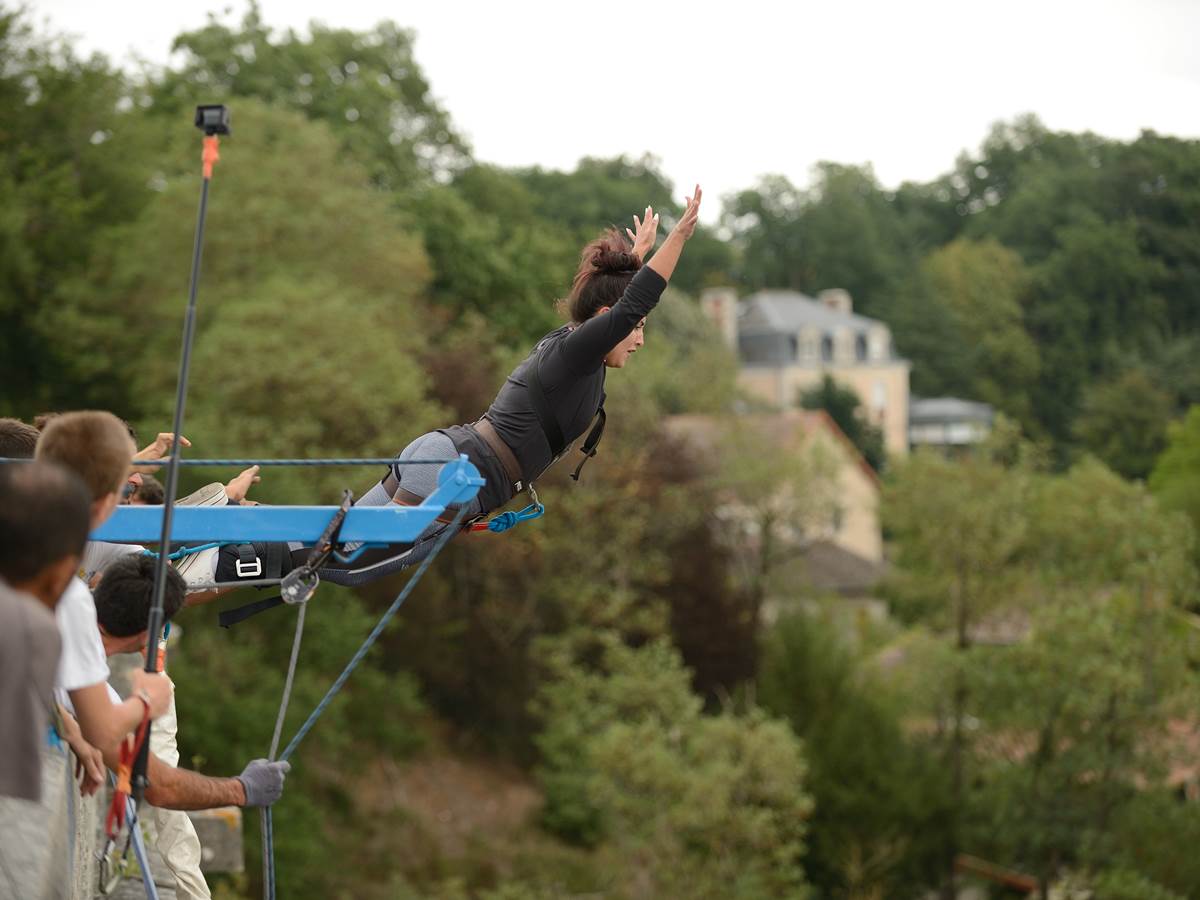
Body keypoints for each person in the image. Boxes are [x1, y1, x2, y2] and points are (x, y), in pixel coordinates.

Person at [216, 188, 703, 588]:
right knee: (345, 563)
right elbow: (625, 305)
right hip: (450, 470)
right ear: (607, 322)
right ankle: (225, 551)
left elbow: (616, 301)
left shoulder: (579, 351)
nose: (639, 339)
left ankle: (235, 527)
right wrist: (678, 238)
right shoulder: (573, 353)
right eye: (637, 327)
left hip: (445, 460)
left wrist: (633, 259)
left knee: (333, 544)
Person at [33, 411, 290, 811]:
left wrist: (70, 728)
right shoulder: (69, 607)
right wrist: (242, 789)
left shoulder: (43, 555)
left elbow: (167, 571)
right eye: (126, 485)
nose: (136, 486)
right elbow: (154, 780)